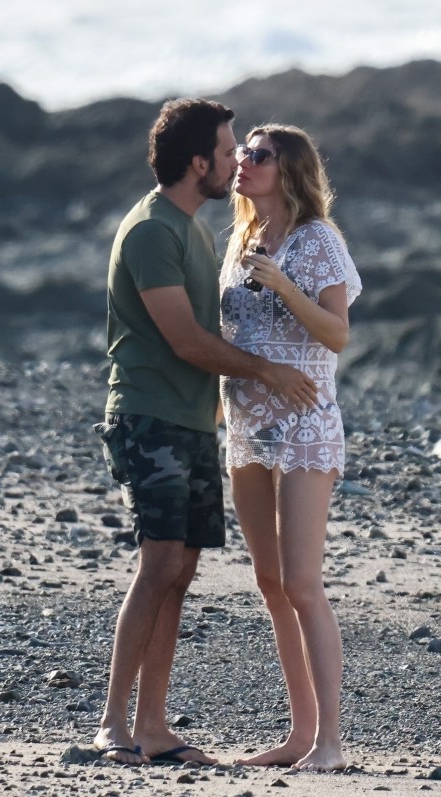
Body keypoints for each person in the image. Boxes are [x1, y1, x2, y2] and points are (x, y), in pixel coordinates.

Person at [92, 100, 319, 766]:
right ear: (198, 163)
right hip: (149, 415)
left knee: (182, 569)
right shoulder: (151, 232)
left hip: (192, 421)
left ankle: (154, 725)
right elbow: (188, 340)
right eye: (226, 153)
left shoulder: (195, 231)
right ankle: (112, 721)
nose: (235, 163)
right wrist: (267, 371)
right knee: (158, 561)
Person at [220, 125, 362, 771]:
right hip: (247, 427)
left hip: (305, 425)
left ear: (291, 169)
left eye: (258, 155)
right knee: (270, 582)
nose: (243, 162)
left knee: (303, 581)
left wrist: (282, 286)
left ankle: (331, 740)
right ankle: (299, 734)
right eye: (242, 152)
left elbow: (336, 333)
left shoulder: (318, 241)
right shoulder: (243, 236)